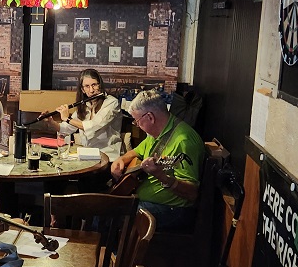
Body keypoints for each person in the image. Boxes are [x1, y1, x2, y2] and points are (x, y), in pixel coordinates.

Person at [110, 89, 204, 230]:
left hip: (173, 210)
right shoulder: (156, 133)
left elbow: (192, 194)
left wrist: (162, 176)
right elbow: (136, 152)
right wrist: (121, 159)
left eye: (137, 121)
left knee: (109, 215)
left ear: (150, 117)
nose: (137, 126)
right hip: (147, 201)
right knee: (104, 208)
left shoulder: (183, 141)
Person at [56, 69, 123, 160]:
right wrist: (50, 122)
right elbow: (67, 128)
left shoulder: (111, 103)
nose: (91, 90)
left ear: (100, 85)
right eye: (87, 86)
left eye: (94, 85)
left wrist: (68, 118)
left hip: (108, 156)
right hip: (87, 154)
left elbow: (95, 126)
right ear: (82, 90)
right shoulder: (85, 105)